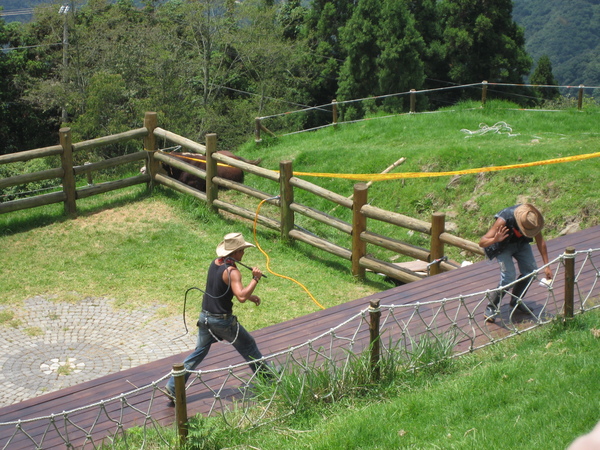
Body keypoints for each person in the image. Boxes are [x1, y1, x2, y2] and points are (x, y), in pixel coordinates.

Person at [164, 232, 269, 400]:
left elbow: (226, 288)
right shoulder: (233, 272)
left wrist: (250, 296)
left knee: (199, 352)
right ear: (235, 253)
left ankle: (172, 386)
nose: (243, 254)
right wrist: (255, 279)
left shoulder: (216, 263)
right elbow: (240, 296)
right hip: (223, 322)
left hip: (205, 318)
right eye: (242, 250)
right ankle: (270, 381)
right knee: (248, 345)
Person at [479, 203, 552, 323]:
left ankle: (516, 301)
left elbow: (541, 242)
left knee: (531, 272)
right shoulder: (504, 219)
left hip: (521, 244)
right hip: (503, 246)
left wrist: (547, 266)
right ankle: (491, 307)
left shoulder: (532, 220)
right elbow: (482, 242)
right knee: (509, 277)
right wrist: (495, 239)